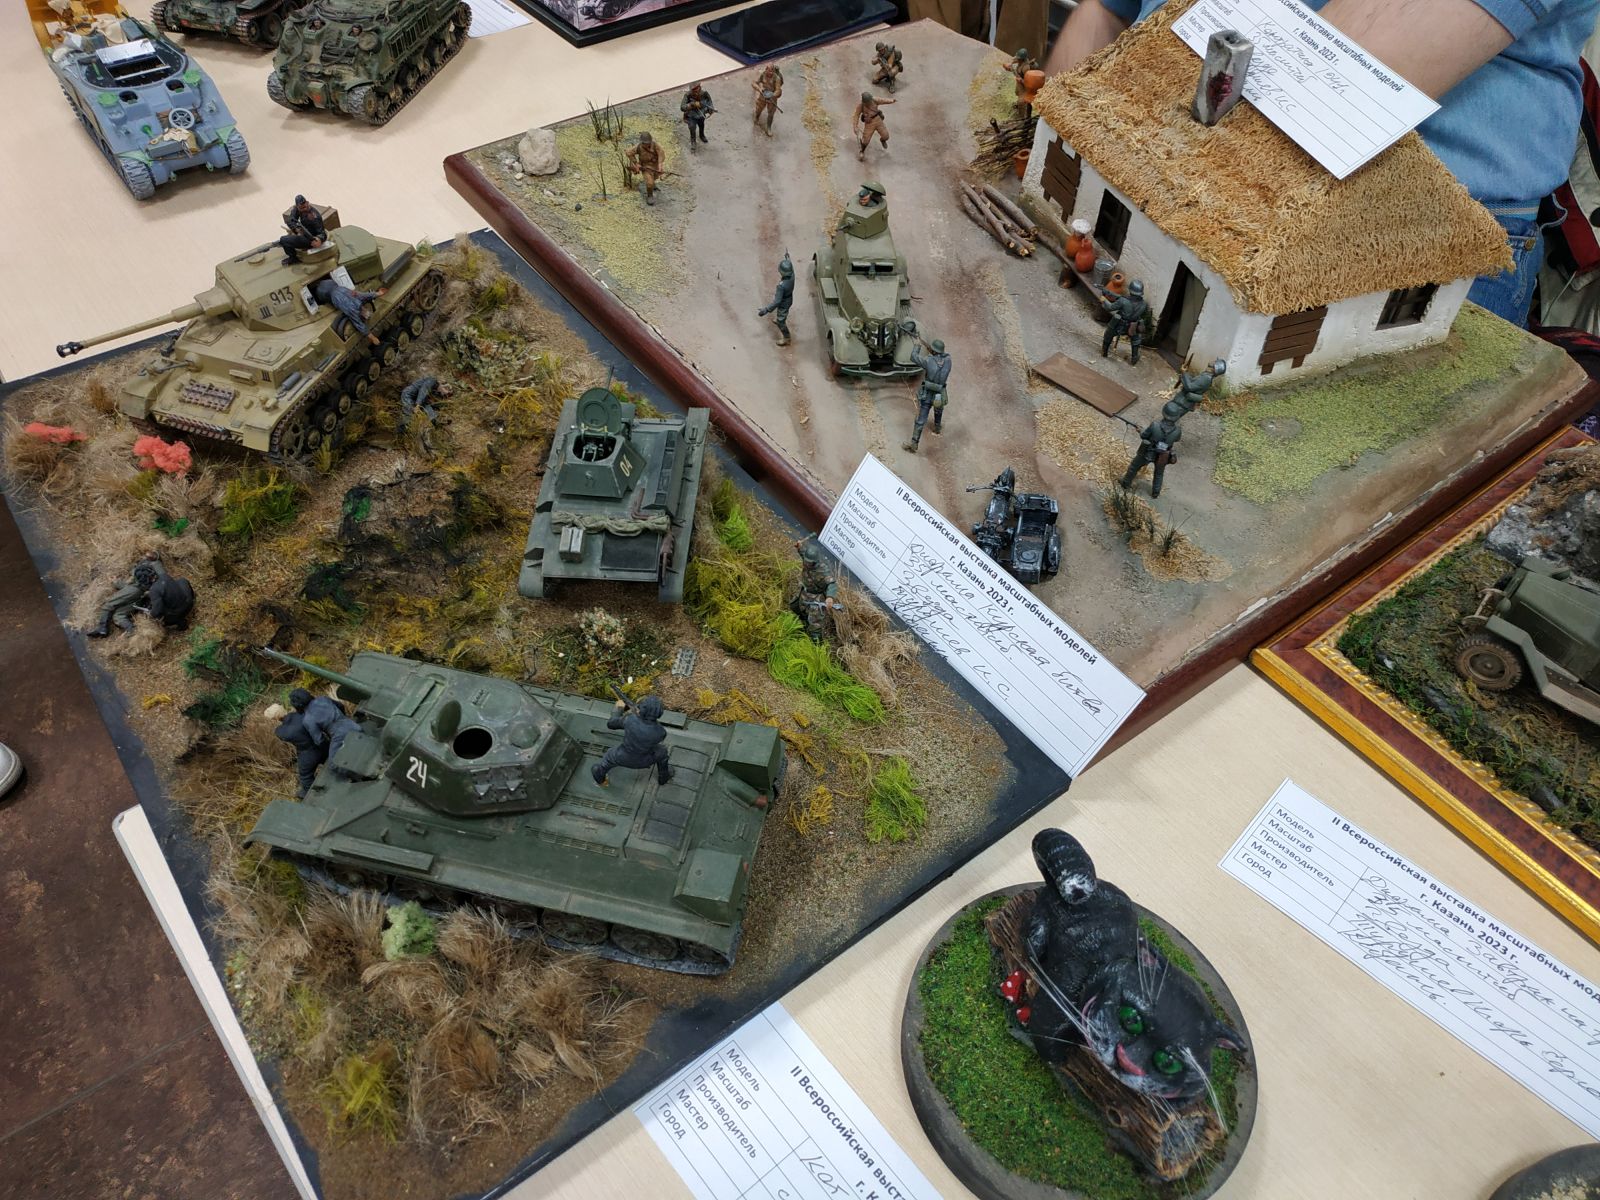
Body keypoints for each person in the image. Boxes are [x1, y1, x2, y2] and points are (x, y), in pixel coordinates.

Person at [1045, 0, 1600, 326]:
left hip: (1393, 212)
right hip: (1160, 139)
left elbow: (1332, 81)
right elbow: (1108, 9)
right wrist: (1059, 126)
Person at [591, 694, 673, 787]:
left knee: (608, 758)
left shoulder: (629, 719)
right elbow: (648, 733)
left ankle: (600, 777)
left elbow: (611, 724)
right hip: (645, 761)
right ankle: (663, 778)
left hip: (621, 757)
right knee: (662, 751)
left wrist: (619, 709)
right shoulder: (661, 732)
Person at [1120, 400, 1186, 498]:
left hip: (1148, 452)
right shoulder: (1177, 430)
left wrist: (1140, 430)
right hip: (1163, 455)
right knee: (1159, 474)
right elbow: (1177, 439)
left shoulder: (1155, 425)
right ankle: (1156, 492)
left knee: (1134, 467)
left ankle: (1126, 483)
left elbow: (1144, 436)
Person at [903, 335, 952, 453]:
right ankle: (937, 427)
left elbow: (913, 357)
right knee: (938, 409)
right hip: (940, 391)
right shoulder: (948, 361)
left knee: (921, 419)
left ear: (933, 350)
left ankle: (914, 443)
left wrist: (917, 345)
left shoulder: (928, 361)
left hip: (928, 392)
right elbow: (940, 361)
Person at [791, 537, 841, 641]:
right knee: (796, 608)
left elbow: (831, 584)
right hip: (804, 593)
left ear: (815, 562)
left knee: (815, 625)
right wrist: (799, 547)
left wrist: (830, 597)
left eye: (810, 562)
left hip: (816, 599)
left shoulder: (823, 570)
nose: (807, 564)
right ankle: (802, 626)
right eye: (806, 561)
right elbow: (803, 553)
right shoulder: (807, 560)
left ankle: (817, 644)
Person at [313, 277, 385, 346]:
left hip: (334, 287)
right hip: (328, 294)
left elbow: (363, 295)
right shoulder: (351, 310)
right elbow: (359, 324)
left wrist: (378, 293)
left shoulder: (354, 295)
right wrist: (373, 338)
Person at [1101, 279, 1150, 364]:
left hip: (1119, 325)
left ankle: (1104, 351)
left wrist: (1104, 300)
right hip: (1133, 326)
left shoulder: (1123, 301)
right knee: (1136, 340)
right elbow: (1124, 299)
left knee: (1108, 334)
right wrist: (1109, 293)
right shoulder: (1144, 304)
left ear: (1130, 290)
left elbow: (1110, 307)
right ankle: (1134, 357)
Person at [398, 375, 453, 440]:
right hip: (408, 395)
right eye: (446, 394)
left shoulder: (435, 388)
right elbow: (423, 391)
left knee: (427, 407)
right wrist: (418, 405)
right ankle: (399, 434)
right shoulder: (432, 380)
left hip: (416, 398)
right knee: (409, 414)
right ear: (443, 386)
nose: (444, 395)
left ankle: (435, 421)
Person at [757, 254, 795, 345]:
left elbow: (777, 301)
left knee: (781, 321)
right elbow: (791, 266)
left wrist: (766, 309)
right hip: (789, 298)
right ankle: (780, 319)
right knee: (781, 313)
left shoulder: (781, 286)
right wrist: (788, 259)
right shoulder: (792, 275)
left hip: (783, 302)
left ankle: (787, 337)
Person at [278, 195, 326, 265]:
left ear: (307, 203)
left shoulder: (315, 216)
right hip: (303, 232)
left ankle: (293, 258)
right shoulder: (298, 209)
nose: (304, 209)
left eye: (305, 207)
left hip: (311, 238)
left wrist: (319, 239)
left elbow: (322, 233)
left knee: (283, 240)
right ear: (297, 206)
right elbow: (290, 220)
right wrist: (296, 229)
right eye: (301, 208)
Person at [853, 92, 895, 161]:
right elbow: (856, 115)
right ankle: (862, 151)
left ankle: (882, 140)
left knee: (886, 136)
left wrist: (891, 101)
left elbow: (883, 100)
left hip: (878, 120)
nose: (870, 102)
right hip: (869, 123)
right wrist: (855, 126)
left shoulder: (874, 100)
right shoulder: (861, 106)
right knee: (865, 140)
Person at [626, 131, 663, 205]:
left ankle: (653, 185)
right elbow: (628, 153)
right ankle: (650, 195)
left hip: (655, 165)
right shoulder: (638, 147)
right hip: (646, 167)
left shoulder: (655, 145)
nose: (646, 144)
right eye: (645, 143)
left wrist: (660, 165)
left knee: (655, 177)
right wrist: (636, 163)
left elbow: (661, 154)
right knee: (649, 182)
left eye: (648, 143)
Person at [752, 64, 783, 135]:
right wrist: (759, 89)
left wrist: (772, 95)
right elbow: (754, 83)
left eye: (771, 71)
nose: (770, 73)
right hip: (763, 95)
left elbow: (778, 90)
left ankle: (769, 127)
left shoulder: (777, 78)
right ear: (766, 70)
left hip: (772, 97)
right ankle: (757, 118)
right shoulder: (763, 75)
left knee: (771, 113)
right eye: (768, 71)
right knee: (759, 108)